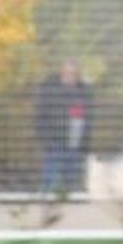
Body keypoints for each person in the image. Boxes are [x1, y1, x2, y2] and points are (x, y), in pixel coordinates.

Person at [34, 59, 91, 194]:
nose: (69, 77)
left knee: (73, 186)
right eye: (66, 73)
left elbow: (88, 120)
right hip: (54, 145)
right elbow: (40, 117)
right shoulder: (49, 91)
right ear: (60, 73)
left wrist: (85, 143)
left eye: (72, 74)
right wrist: (45, 139)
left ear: (77, 75)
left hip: (75, 146)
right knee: (51, 184)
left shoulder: (84, 92)